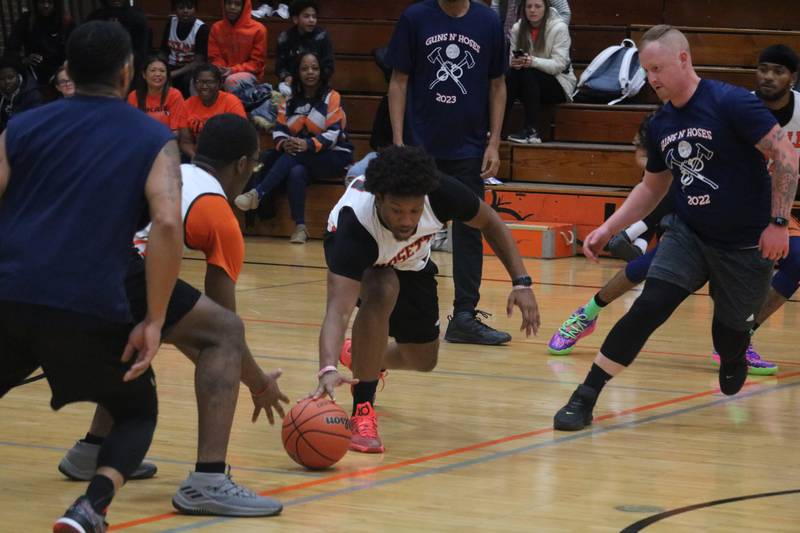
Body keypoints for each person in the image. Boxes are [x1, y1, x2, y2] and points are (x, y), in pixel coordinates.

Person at [553, 25, 799, 432]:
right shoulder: (661, 123)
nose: (652, 78)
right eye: (646, 70)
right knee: (650, 306)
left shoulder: (731, 102)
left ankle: (735, 353)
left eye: (658, 68)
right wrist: (607, 227)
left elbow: (786, 156)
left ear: (683, 59)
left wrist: (778, 223)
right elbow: (652, 186)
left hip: (744, 244)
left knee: (730, 335)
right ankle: (585, 395)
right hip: (689, 235)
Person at [0, 21, 183, 532]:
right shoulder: (152, 135)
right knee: (136, 410)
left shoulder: (21, 126)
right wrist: (154, 318)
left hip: (9, 291)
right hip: (87, 302)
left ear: (69, 72)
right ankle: (89, 508)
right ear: (127, 71)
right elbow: (168, 223)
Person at [57, 114, 287, 518]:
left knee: (149, 325)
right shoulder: (218, 214)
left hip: (69, 265)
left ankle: (92, 450)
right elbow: (219, 332)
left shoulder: (168, 171)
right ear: (243, 164)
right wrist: (259, 383)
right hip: (116, 271)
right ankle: (208, 481)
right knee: (223, 332)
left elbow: (182, 322)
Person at [309, 145, 540, 453]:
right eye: (396, 210)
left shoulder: (441, 192)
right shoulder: (355, 227)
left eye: (415, 211)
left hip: (411, 261)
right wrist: (326, 368)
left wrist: (522, 282)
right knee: (382, 287)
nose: (407, 220)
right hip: (369, 259)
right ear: (379, 199)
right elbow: (338, 312)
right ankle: (363, 410)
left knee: (422, 359)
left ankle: (363, 355)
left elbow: (490, 222)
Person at [386, 0, 512, 345]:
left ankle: (465, 316)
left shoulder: (487, 21)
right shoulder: (414, 17)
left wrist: (494, 143)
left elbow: (497, 84)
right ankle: (396, 310)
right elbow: (399, 80)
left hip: (469, 149)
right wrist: (398, 140)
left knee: (471, 232)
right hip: (419, 148)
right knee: (405, 228)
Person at [235, 51, 353, 244]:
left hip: (334, 155)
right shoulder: (287, 100)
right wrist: (285, 143)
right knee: (296, 171)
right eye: (305, 68)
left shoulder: (332, 97)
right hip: (300, 156)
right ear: (297, 72)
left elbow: (333, 134)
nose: (310, 72)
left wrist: (306, 144)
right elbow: (279, 130)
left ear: (322, 71)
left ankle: (258, 193)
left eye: (315, 68)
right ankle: (300, 227)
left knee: (296, 157)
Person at [506, 0, 577, 144]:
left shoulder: (559, 28)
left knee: (528, 71)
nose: (533, 10)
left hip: (559, 83)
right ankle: (495, 128)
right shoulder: (517, 28)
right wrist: (513, 63)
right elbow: (511, 59)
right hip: (528, 83)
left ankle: (531, 131)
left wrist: (531, 61)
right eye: (529, 6)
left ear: (546, 8)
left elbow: (559, 65)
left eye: (537, 6)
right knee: (512, 75)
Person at [178, 64, 246, 159]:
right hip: (198, 155)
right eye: (199, 82)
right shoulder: (187, 104)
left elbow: (240, 136)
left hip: (226, 156)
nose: (204, 86)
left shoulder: (232, 102)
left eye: (209, 82)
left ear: (219, 83)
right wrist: (194, 156)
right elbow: (185, 142)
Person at [5, 0, 75, 84]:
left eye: (50, 2)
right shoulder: (27, 20)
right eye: (42, 2)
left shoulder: (65, 20)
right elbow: (11, 48)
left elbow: (74, 48)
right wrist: (24, 60)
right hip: (35, 70)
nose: (46, 5)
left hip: (60, 68)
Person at [275, 0, 334, 97]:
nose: (311, 20)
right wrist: (286, 77)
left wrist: (315, 78)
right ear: (295, 19)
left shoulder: (322, 36)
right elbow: (280, 67)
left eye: (314, 16)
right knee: (277, 98)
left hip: (317, 85)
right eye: (306, 16)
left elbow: (329, 66)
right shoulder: (284, 37)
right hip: (291, 85)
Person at [208, 0, 267, 93]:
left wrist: (233, 70)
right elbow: (214, 56)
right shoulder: (216, 28)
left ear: (244, 6)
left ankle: (234, 107)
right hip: (221, 71)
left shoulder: (258, 29)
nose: (232, 7)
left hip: (249, 74)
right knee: (198, 80)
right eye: (229, 3)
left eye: (237, 4)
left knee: (231, 81)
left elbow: (256, 64)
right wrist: (222, 69)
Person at [160, 0, 210, 98]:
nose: (185, 11)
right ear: (175, 10)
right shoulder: (170, 23)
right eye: (181, 8)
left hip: (190, 69)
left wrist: (173, 74)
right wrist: (161, 68)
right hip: (171, 65)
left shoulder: (201, 28)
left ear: (195, 9)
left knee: (186, 81)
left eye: (189, 8)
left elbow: (198, 62)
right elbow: (163, 52)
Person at [87, 0, 149, 74]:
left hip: (129, 66)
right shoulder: (95, 16)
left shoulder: (137, 17)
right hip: (99, 68)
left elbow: (141, 49)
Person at [128, 56, 186, 132]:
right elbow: (130, 127)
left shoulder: (175, 95)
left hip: (167, 141)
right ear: (144, 75)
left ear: (167, 76)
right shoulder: (133, 96)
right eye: (153, 70)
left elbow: (175, 131)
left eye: (162, 71)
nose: (158, 74)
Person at [0, 56, 42, 133]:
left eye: (11, 77)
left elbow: (35, 122)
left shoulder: (32, 94)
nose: (7, 82)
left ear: (18, 76)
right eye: (2, 79)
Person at [491, 0, 571, 40]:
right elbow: (494, 13)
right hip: (508, 41)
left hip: (542, 41)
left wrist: (550, 37)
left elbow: (564, 13)